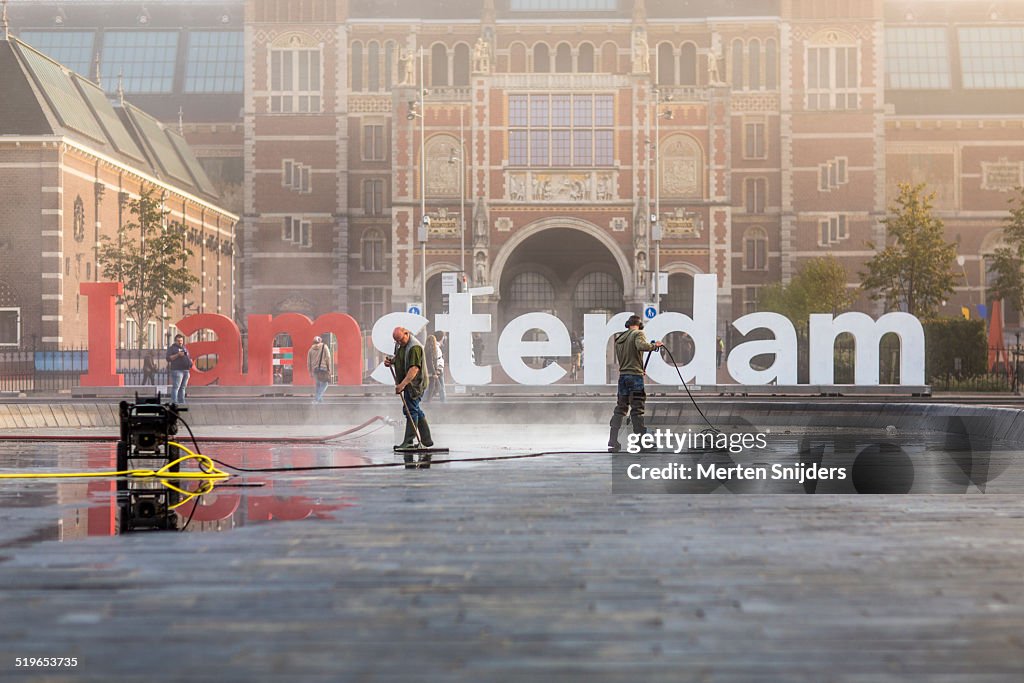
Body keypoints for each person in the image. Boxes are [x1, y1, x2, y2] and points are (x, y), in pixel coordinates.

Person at [608, 314, 663, 452]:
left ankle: (613, 441)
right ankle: (641, 442)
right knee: (637, 409)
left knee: (620, 408)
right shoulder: (638, 333)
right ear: (640, 325)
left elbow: (629, 357)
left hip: (623, 377)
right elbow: (640, 346)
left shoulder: (620, 339)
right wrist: (654, 345)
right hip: (635, 378)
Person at [384, 326, 432, 448]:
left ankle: (409, 441)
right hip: (409, 383)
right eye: (397, 341)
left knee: (411, 410)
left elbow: (414, 369)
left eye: (400, 339)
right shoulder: (403, 345)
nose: (399, 343)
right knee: (414, 409)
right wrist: (392, 361)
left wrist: (402, 384)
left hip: (415, 384)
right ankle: (426, 440)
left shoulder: (414, 347)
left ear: (407, 333)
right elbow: (401, 357)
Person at [165, 334, 192, 404]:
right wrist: (178, 355)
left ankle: (182, 401)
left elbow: (188, 356)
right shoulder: (172, 348)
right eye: (178, 341)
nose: (180, 342)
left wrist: (190, 362)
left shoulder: (184, 348)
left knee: (183, 387)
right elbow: (168, 358)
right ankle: (174, 402)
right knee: (176, 387)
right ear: (175, 341)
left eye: (181, 340)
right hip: (177, 370)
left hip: (186, 370)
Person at [307, 336, 333, 404]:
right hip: (323, 368)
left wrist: (310, 372)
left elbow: (308, 362)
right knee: (325, 384)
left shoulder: (310, 350)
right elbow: (328, 358)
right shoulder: (324, 347)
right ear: (320, 341)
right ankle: (317, 399)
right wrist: (329, 368)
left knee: (318, 385)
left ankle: (320, 401)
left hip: (315, 370)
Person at [425, 332, 447, 402]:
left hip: (436, 369)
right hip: (437, 369)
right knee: (439, 387)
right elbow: (432, 361)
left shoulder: (430, 348)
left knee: (433, 387)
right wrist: (435, 372)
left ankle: (426, 400)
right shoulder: (435, 348)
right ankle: (443, 402)